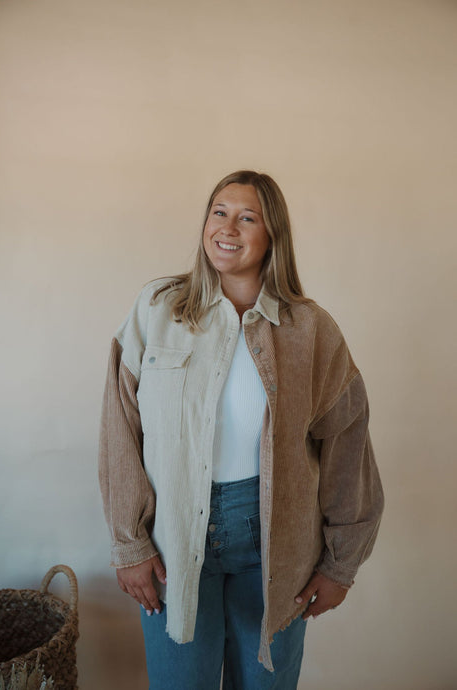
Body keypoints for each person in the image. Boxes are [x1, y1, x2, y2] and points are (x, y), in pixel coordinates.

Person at [99, 170, 384, 690]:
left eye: (247, 217)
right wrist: (130, 543)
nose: (227, 228)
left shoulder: (310, 329)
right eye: (219, 212)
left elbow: (348, 443)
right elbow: (120, 428)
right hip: (172, 539)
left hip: (275, 540)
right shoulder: (157, 309)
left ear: (273, 234)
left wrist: (342, 563)